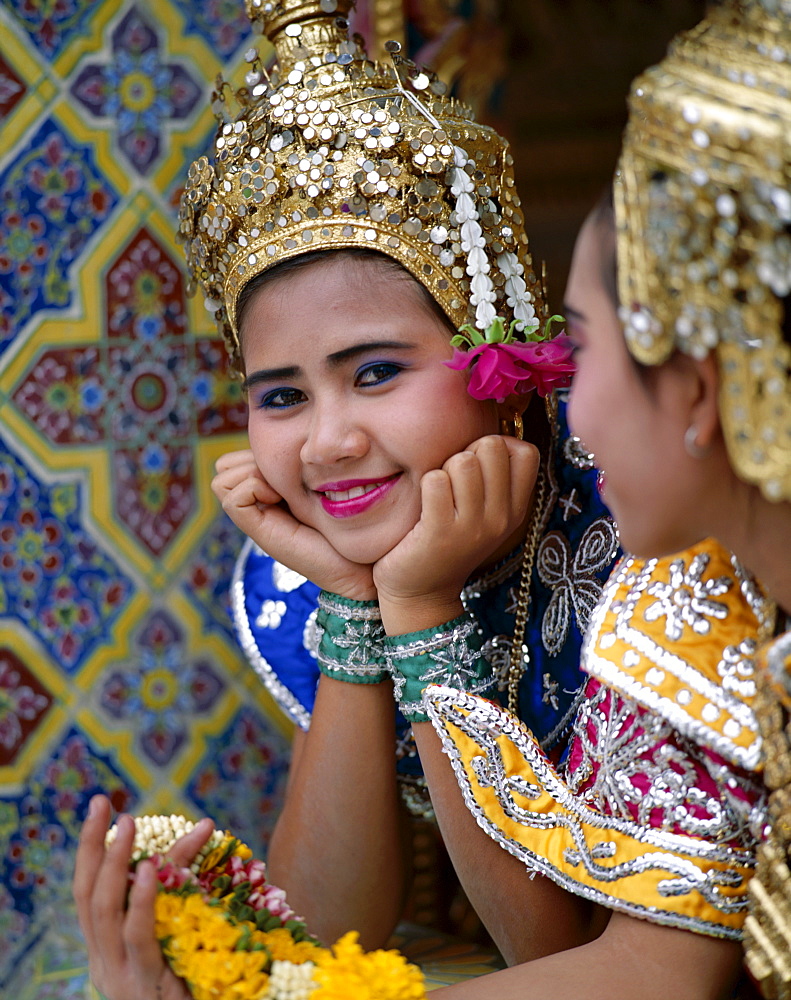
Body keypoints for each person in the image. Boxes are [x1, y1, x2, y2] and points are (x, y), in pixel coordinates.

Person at [72, 3, 771, 999]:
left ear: (501, 359)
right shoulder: (310, 557)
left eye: (374, 374)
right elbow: (318, 929)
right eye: (281, 395)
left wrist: (423, 611)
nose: (326, 441)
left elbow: (570, 956)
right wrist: (363, 601)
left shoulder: (643, 512)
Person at [423, 0, 790, 996]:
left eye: (577, 348)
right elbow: (649, 969)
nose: (568, 413)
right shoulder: (698, 610)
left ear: (699, 391)